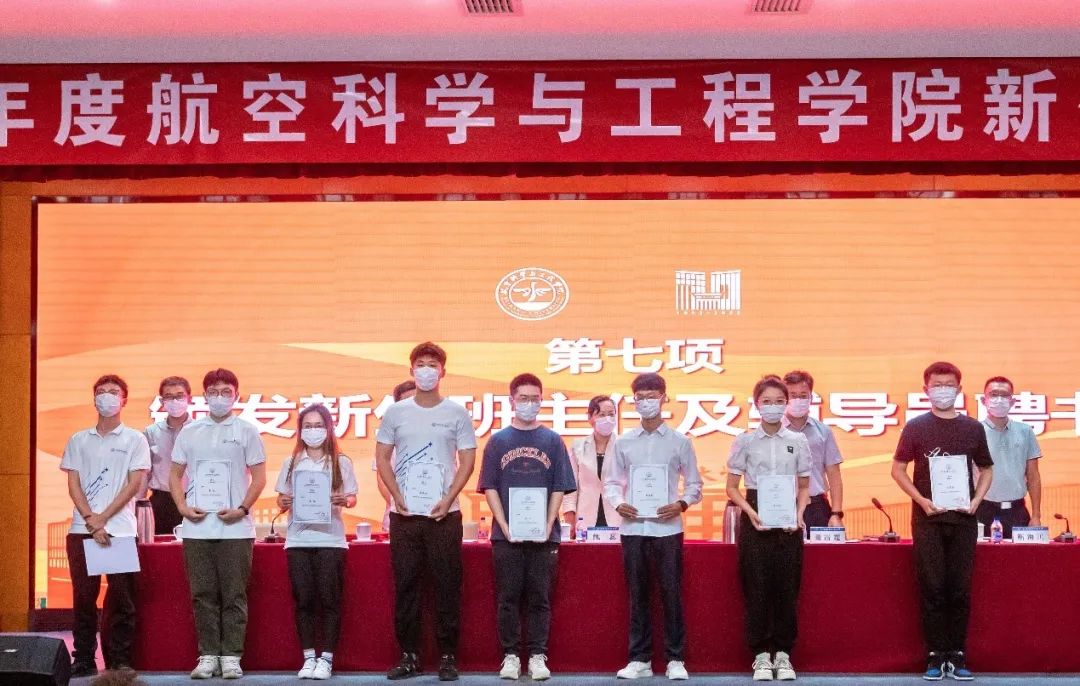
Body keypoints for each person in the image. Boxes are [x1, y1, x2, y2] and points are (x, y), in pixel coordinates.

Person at [375, 342, 477, 681]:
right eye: (421, 364)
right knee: (406, 587)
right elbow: (381, 458)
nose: (427, 370)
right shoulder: (396, 412)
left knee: (448, 586)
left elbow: (467, 459)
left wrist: (449, 498)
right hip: (405, 516)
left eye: (433, 364)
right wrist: (396, 496)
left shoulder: (456, 413)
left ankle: (448, 656)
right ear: (411, 370)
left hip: (444, 515)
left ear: (443, 371)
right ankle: (409, 656)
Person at [891, 361, 993, 681]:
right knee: (933, 587)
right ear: (926, 390)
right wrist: (921, 500)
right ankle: (935, 654)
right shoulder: (916, 427)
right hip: (928, 520)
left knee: (959, 588)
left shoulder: (973, 428)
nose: (943, 390)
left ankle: (957, 654)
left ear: (959, 389)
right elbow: (898, 469)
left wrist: (976, 500)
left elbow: (986, 469)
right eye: (937, 385)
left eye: (949, 385)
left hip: (963, 519)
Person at [604, 372, 702, 681]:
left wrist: (681, 504)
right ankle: (639, 659)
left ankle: (675, 658)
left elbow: (695, 485)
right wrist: (618, 503)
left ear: (663, 398)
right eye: (641, 397)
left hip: (667, 529)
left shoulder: (679, 441)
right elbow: (611, 482)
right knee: (638, 595)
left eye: (652, 396)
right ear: (634, 401)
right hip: (633, 529)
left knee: (671, 594)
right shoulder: (623, 442)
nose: (646, 402)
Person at [170, 368, 267, 680]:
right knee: (202, 594)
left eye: (226, 392)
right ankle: (208, 655)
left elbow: (259, 478)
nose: (220, 397)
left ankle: (231, 656)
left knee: (234, 595)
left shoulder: (247, 431)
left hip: (236, 528)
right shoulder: (190, 432)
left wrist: (242, 509)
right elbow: (174, 474)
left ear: (236, 395)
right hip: (197, 527)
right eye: (214, 392)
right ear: (204, 396)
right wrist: (182, 507)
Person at [478, 373, 576, 681]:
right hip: (506, 536)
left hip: (544, 536)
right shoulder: (498, 441)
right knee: (507, 598)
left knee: (539, 598)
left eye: (535, 398)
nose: (529, 404)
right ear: (512, 401)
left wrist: (547, 523)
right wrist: (503, 524)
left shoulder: (553, 441)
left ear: (542, 401)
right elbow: (489, 486)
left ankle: (536, 655)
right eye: (523, 398)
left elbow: (559, 486)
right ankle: (510, 656)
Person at [61, 374, 151, 678]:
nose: (107, 396)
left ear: (124, 400)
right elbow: (73, 484)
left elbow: (133, 484)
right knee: (84, 598)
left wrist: (104, 518)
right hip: (81, 530)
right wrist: (91, 519)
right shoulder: (79, 439)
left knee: (122, 599)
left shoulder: (134, 439)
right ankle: (84, 658)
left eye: (114, 392)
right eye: (102, 391)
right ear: (94, 399)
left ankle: (119, 659)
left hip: (120, 530)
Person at [726, 375, 811, 681]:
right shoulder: (745, 441)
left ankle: (784, 655)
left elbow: (804, 486)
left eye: (778, 401)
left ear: (786, 404)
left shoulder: (798, 441)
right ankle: (761, 655)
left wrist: (799, 514)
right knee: (757, 588)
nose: (773, 407)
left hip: (788, 521)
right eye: (766, 401)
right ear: (756, 404)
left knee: (786, 589)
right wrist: (750, 512)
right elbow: (732, 487)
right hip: (756, 517)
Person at [275, 403, 358, 680]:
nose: (313, 431)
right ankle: (309, 657)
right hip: (298, 540)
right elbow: (281, 498)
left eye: (318, 425)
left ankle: (327, 659)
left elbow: (352, 497)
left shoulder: (340, 462)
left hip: (331, 540)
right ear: (300, 431)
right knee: (304, 600)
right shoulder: (291, 463)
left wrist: (344, 500)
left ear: (328, 428)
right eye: (308, 426)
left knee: (330, 600)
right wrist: (284, 502)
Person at [976, 376, 1042, 538]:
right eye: (993, 394)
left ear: (1012, 401)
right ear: (984, 400)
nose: (999, 399)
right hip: (982, 510)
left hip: (1017, 512)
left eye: (1004, 395)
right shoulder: (974, 431)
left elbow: (1033, 476)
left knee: (1020, 555)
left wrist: (1036, 515)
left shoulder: (1025, 431)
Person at [781, 370, 845, 534]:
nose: (798, 400)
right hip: (780, 506)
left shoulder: (823, 432)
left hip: (816, 507)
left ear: (811, 397)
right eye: (793, 395)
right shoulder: (772, 431)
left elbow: (834, 475)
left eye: (803, 396)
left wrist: (836, 513)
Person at [562, 395, 622, 536]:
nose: (607, 419)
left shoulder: (624, 446)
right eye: (601, 415)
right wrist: (570, 520)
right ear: (590, 418)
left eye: (611, 414)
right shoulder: (578, 447)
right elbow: (570, 488)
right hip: (585, 520)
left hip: (618, 519)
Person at [144, 376, 192, 534]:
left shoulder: (201, 430)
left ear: (189, 398)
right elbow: (144, 472)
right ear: (162, 401)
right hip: (161, 502)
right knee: (160, 546)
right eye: (169, 397)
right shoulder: (151, 432)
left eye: (179, 396)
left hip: (194, 500)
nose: (175, 401)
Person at [373, 380, 417, 532]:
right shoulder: (387, 436)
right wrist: (398, 502)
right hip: (397, 517)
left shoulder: (439, 433)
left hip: (434, 518)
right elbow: (382, 480)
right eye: (407, 402)